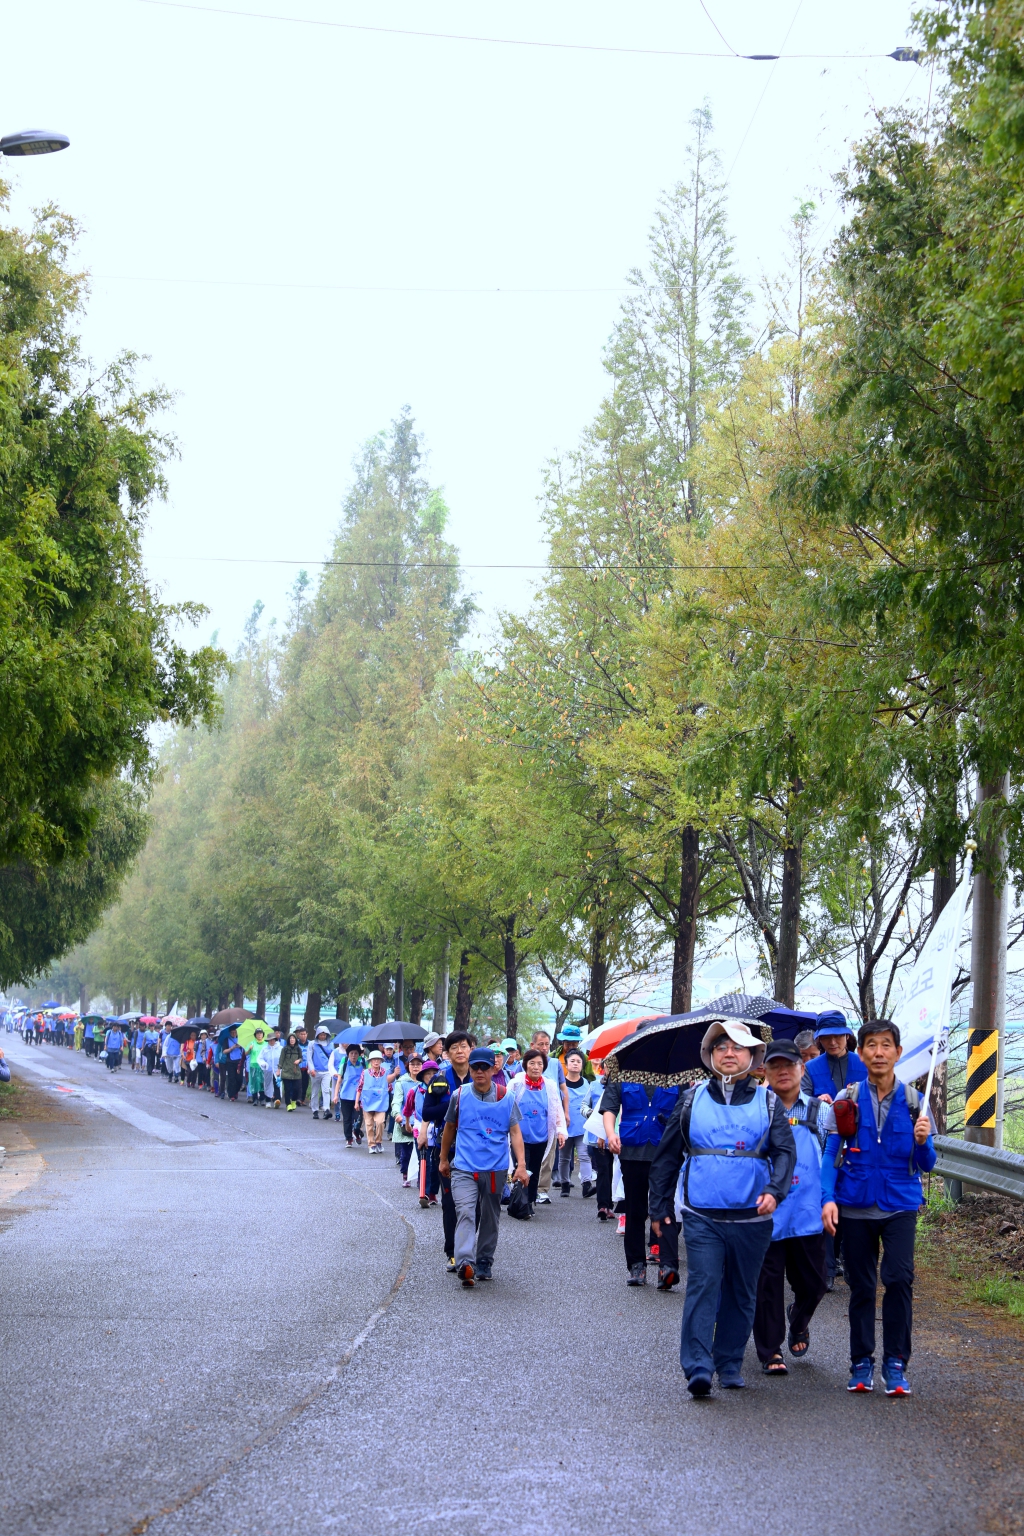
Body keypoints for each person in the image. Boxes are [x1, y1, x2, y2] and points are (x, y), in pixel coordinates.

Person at [648, 1019, 796, 1397]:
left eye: (737, 1047)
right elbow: (666, 1157)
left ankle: (729, 1362)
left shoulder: (768, 1102)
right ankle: (698, 1366)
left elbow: (784, 1152)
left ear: (752, 1056)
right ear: (709, 1056)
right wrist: (659, 1207)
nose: (728, 1053)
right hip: (702, 1214)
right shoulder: (690, 1098)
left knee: (742, 1291)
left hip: (753, 1215)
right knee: (703, 1284)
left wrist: (775, 1191)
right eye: (720, 1047)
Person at [821, 1018, 935, 1396]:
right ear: (861, 1052)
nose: (879, 1052)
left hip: (900, 1203)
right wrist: (827, 1199)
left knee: (899, 1279)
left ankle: (896, 1363)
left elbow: (928, 1163)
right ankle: (861, 1361)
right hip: (854, 1203)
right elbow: (829, 1153)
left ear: (898, 1053)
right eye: (872, 1045)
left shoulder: (915, 1102)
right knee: (862, 1285)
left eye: (887, 1045)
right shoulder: (846, 1099)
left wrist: (923, 1142)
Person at [752, 1039, 829, 1376]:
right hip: (765, 1212)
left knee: (816, 1282)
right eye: (775, 1065)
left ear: (802, 1068)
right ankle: (770, 1350)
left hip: (808, 1214)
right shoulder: (755, 1110)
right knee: (766, 1285)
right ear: (764, 1071)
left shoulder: (820, 1112)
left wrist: (831, 1200)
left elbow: (832, 1159)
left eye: (790, 1065)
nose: (783, 1071)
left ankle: (799, 1318)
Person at [439, 1047, 530, 1286]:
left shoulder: (505, 1096)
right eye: (475, 1067)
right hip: (464, 1168)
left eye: (484, 1067)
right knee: (466, 1212)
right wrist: (442, 1159)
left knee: (490, 1216)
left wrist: (521, 1165)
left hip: (494, 1169)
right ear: (469, 1069)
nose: (479, 1072)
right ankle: (465, 1262)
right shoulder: (459, 1095)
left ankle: (484, 1262)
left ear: (493, 1069)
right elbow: (449, 1128)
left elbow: (515, 1132)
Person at [600, 1057, 681, 1288]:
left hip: (665, 1152)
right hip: (632, 1152)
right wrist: (610, 1133)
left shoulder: (675, 1074)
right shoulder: (621, 1073)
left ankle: (668, 1265)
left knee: (665, 1207)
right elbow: (609, 1109)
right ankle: (636, 1265)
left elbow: (687, 1109)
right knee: (635, 1210)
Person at [420, 1031, 475, 1270]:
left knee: (477, 1203)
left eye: (464, 1046)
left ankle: (470, 1248)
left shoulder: (481, 1075)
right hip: (448, 1148)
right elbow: (427, 1113)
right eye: (454, 1048)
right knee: (451, 1201)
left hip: (478, 1148)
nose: (460, 1051)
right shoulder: (440, 1079)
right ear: (447, 1053)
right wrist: (453, 1103)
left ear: (471, 1049)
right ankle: (452, 1251)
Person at [509, 1048, 566, 1212]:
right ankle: (522, 1203)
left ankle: (530, 1200)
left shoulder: (549, 1085)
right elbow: (507, 1107)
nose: (535, 1067)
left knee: (534, 1170)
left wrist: (560, 1130)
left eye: (539, 1064)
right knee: (523, 1167)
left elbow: (556, 1109)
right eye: (532, 1063)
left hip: (541, 1136)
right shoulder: (516, 1083)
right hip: (520, 1136)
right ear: (525, 1065)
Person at [529, 1030, 569, 1203]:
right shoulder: (525, 1064)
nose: (544, 1048)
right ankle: (525, 1186)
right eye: (541, 1044)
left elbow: (563, 1089)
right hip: (530, 1116)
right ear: (533, 1046)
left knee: (548, 1152)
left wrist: (565, 1113)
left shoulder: (554, 1064)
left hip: (551, 1115)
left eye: (547, 1045)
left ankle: (542, 1189)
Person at [557, 1048, 596, 1197]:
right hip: (565, 1127)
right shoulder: (560, 1084)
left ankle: (586, 1185)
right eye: (572, 1061)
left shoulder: (588, 1084)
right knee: (564, 1157)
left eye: (578, 1061)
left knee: (584, 1155)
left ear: (582, 1065)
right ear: (566, 1064)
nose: (575, 1064)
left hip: (583, 1126)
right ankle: (564, 1184)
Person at [805, 1012, 867, 1103]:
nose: (833, 1042)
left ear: (847, 1036)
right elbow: (802, 1105)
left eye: (837, 1036)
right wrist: (816, 1103)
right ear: (820, 1039)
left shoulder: (865, 1064)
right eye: (826, 1037)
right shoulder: (810, 1068)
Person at [414, 1057, 443, 1206]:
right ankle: (423, 1192)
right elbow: (407, 1109)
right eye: (428, 1073)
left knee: (436, 1161)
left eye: (434, 1073)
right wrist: (406, 1121)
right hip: (420, 1128)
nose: (431, 1076)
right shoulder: (416, 1090)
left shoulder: (441, 1090)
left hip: (436, 1129)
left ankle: (433, 1193)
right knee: (424, 1161)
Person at [392, 1055, 422, 1185]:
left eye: (418, 1064)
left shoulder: (426, 1081)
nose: (415, 1067)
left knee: (422, 1153)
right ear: (408, 1066)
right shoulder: (401, 1082)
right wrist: (397, 1114)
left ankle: (421, 1178)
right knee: (406, 1153)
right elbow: (397, 1101)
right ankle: (406, 1174)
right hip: (406, 1122)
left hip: (422, 1121)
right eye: (412, 1064)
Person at [356, 1050, 391, 1153]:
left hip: (381, 1103)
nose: (376, 1062)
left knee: (380, 1122)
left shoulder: (385, 1072)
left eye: (378, 1060)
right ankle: (371, 1144)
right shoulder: (365, 1073)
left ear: (381, 1061)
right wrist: (356, 1102)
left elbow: (389, 1088)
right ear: (370, 1061)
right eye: (374, 1060)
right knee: (369, 1124)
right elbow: (359, 1088)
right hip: (367, 1102)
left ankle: (379, 1141)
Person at [333, 1045, 365, 1143]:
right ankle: (349, 1138)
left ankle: (356, 1131)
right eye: (351, 1053)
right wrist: (335, 1095)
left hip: (359, 1097)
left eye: (356, 1053)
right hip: (346, 1096)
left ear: (359, 1054)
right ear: (348, 1054)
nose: (353, 1056)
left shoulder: (363, 1063)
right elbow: (339, 1081)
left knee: (359, 1118)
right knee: (347, 1119)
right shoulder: (345, 1064)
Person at [308, 1025, 334, 1121]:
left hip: (327, 1071)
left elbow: (332, 1057)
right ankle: (315, 1109)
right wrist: (312, 1069)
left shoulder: (330, 1044)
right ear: (317, 1035)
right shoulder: (312, 1044)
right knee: (315, 1091)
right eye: (321, 1035)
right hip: (316, 1071)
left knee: (326, 1090)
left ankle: (326, 1109)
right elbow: (309, 1058)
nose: (322, 1036)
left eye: (324, 1035)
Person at [279, 1032, 303, 1110]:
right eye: (290, 1039)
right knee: (287, 1089)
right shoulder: (284, 1049)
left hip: (296, 1072)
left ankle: (293, 1101)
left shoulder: (298, 1049)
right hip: (286, 1071)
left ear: (295, 1040)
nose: (292, 1040)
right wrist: (279, 1069)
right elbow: (281, 1060)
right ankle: (288, 1104)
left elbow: (301, 1058)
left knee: (296, 1088)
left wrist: (298, 1060)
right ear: (288, 1040)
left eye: (293, 1038)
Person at [246, 1027, 266, 1102]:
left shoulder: (266, 1044)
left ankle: (262, 1098)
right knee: (254, 1082)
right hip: (253, 1065)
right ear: (255, 1035)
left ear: (263, 1034)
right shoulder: (252, 1043)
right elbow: (245, 1053)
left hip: (262, 1065)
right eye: (258, 1033)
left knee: (261, 1082)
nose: (259, 1035)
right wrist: (249, 1049)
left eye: (260, 1033)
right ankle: (254, 1099)